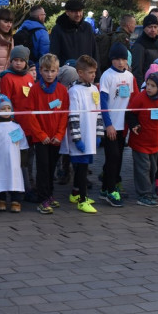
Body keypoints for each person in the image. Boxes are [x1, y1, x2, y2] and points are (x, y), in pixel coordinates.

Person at [28, 54, 69, 214]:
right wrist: (40, 135)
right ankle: (42, 198)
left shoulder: (61, 90)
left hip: (55, 138)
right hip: (42, 139)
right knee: (43, 168)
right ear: (40, 71)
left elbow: (64, 114)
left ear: (58, 71)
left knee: (52, 167)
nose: (49, 74)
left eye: (52, 71)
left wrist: (59, 134)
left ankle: (50, 194)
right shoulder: (35, 90)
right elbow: (30, 114)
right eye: (46, 71)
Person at [64, 55, 103, 214]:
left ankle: (75, 193)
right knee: (80, 167)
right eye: (90, 72)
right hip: (80, 136)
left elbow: (99, 112)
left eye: (94, 72)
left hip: (90, 135)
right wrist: (77, 138)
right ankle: (82, 199)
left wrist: (99, 134)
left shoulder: (94, 89)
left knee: (85, 166)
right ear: (80, 73)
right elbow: (73, 116)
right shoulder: (74, 91)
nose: (93, 75)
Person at [126, 70, 158, 207]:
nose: (149, 88)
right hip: (140, 141)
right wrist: (134, 125)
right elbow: (130, 113)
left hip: (155, 141)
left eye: (153, 86)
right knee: (143, 167)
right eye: (148, 84)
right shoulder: (140, 97)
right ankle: (143, 194)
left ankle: (147, 191)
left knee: (153, 168)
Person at [98, 42, 134, 207]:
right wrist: (108, 125)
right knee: (112, 157)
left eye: (123, 59)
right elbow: (103, 102)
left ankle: (106, 187)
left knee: (118, 158)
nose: (120, 62)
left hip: (123, 126)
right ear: (111, 59)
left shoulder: (129, 77)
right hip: (111, 126)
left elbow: (131, 101)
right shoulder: (107, 76)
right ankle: (111, 190)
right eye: (117, 59)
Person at [0, 95, 28, 213]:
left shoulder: (15, 126)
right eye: (3, 109)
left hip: (14, 160)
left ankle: (15, 200)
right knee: (0, 179)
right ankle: (1, 200)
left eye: (8, 108)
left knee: (15, 179)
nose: (6, 111)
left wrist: (23, 159)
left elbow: (21, 143)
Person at [50, 0, 97, 64]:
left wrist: (97, 71)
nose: (78, 14)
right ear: (67, 12)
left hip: (87, 71)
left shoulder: (87, 27)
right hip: (68, 71)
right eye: (74, 12)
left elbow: (94, 51)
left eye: (80, 11)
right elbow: (54, 55)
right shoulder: (58, 30)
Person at [130, 14, 158, 81]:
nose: (153, 30)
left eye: (155, 27)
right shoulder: (139, 45)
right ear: (144, 28)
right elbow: (137, 71)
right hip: (146, 85)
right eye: (150, 27)